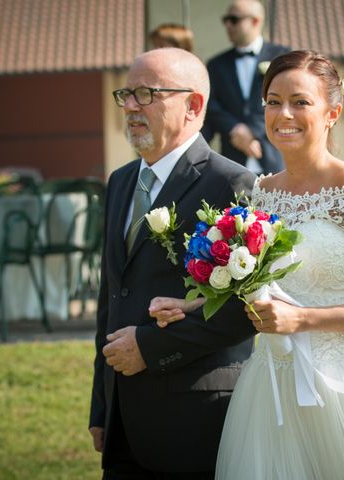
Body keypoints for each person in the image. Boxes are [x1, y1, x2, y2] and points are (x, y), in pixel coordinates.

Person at [150, 50, 344, 479]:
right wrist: (192, 303)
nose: (284, 114)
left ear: (333, 111)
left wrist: (302, 320)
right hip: (270, 391)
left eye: (300, 102)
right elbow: (261, 285)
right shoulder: (261, 195)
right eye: (273, 101)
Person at [88, 48, 256, 480]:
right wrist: (102, 404)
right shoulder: (121, 181)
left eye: (146, 94)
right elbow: (112, 294)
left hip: (195, 415)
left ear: (193, 106)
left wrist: (150, 347)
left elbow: (246, 311)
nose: (129, 106)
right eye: (126, 93)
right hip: (124, 417)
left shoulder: (232, 183)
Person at [203, 0, 288, 175]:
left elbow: (288, 99)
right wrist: (235, 129)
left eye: (234, 19)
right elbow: (211, 106)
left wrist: (252, 130)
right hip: (232, 162)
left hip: (274, 158)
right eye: (225, 19)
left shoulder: (282, 56)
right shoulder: (216, 64)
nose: (228, 24)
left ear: (255, 21)